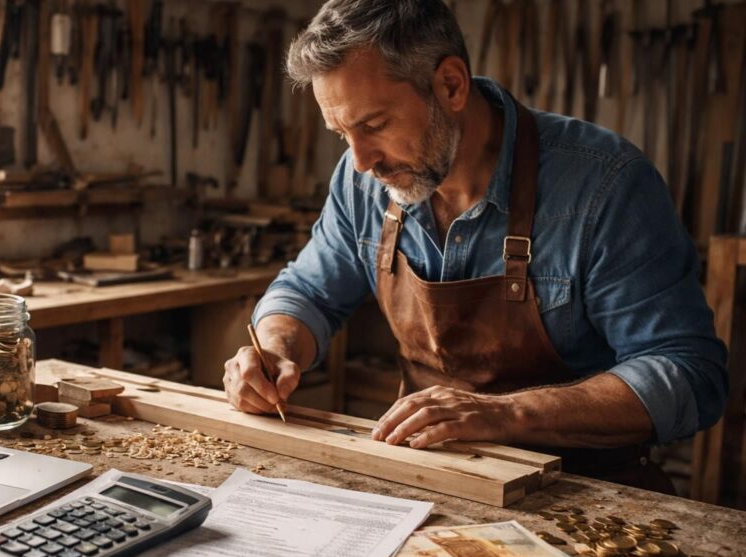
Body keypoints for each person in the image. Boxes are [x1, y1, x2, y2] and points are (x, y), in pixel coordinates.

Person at [221, 0, 728, 492]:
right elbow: (309, 291)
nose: (360, 161)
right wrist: (274, 350)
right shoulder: (364, 182)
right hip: (423, 479)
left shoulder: (605, 185)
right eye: (341, 134)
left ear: (451, 85)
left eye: (374, 125)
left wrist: (508, 414)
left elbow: (687, 372)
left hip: (580, 492)